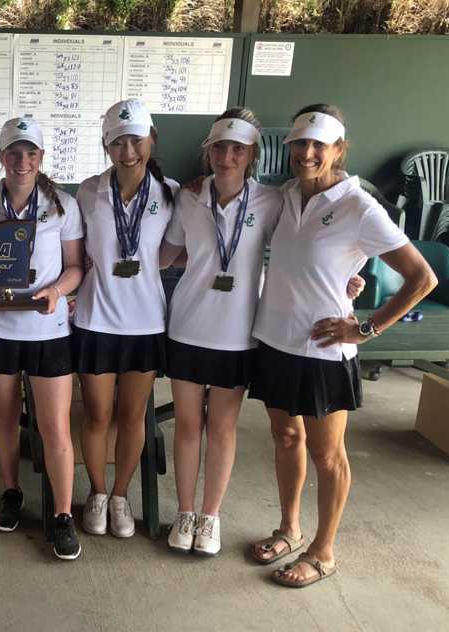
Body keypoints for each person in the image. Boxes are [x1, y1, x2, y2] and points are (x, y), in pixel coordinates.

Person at [248, 105, 436, 587]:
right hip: (275, 342)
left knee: (328, 456)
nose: (307, 153)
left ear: (338, 150)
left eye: (319, 145)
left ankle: (323, 550)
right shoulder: (286, 196)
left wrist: (367, 329)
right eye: (299, 144)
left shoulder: (360, 206)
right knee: (286, 438)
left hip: (324, 351)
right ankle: (289, 529)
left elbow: (422, 278)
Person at [159, 108, 282, 555]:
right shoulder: (188, 198)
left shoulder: (272, 201)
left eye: (236, 149)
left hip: (239, 334)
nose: (226, 157)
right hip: (188, 326)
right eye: (219, 148)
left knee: (223, 428)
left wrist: (352, 274)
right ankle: (186, 512)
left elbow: (310, 241)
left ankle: (211, 517)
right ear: (207, 151)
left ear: (251, 153)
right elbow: (168, 254)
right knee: (188, 426)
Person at [0, 118, 85, 560]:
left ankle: (62, 515)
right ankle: (11, 492)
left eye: (30, 153)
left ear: (40, 159)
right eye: (13, 153)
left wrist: (56, 291)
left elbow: (76, 267)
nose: (21, 161)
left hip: (47, 330)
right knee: (4, 416)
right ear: (1, 158)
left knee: (54, 426)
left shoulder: (64, 206)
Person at [73, 99, 177, 539]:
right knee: (98, 414)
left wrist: (145, 268)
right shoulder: (88, 191)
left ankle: (120, 496)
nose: (128, 150)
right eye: (118, 142)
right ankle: (96, 492)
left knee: (134, 416)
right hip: (96, 319)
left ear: (152, 139)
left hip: (145, 323)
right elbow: (75, 252)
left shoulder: (172, 193)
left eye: (136, 140)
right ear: (106, 146)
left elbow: (173, 253)